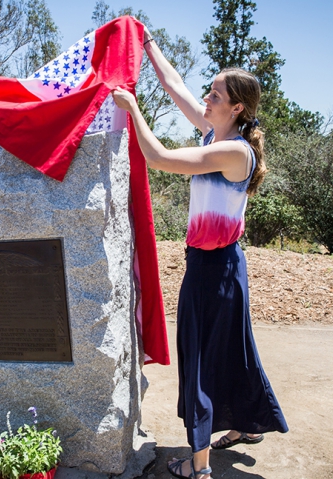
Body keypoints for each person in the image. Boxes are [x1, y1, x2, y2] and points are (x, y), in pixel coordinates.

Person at [111, 28, 288, 479]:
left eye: (215, 94)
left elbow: (160, 158)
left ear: (237, 107)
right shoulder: (214, 133)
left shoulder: (234, 151)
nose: (206, 99)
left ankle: (199, 465)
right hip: (218, 267)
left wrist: (132, 109)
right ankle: (247, 425)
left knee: (201, 357)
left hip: (215, 270)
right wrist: (146, 42)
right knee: (231, 350)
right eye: (208, 92)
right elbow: (174, 85)